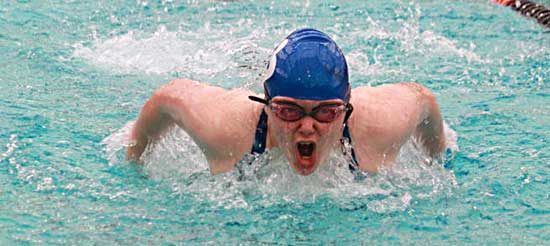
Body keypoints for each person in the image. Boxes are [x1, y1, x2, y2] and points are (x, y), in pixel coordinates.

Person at [126, 28, 446, 176]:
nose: (307, 126)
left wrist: (438, 158)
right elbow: (168, 96)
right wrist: (135, 159)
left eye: (326, 112)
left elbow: (423, 99)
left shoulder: (379, 125)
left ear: (346, 106)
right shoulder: (226, 128)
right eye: (289, 111)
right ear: (266, 105)